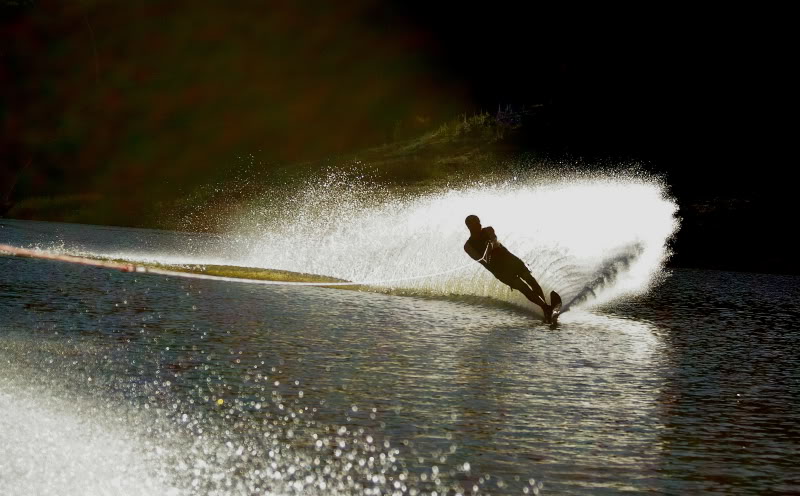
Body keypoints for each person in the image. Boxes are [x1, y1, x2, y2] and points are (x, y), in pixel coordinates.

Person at [463, 214, 555, 322]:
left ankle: (546, 309)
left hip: (510, 260)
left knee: (530, 279)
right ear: (469, 227)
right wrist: (488, 249)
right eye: (476, 224)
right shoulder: (468, 246)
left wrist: (491, 244)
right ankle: (545, 307)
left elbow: (494, 240)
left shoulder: (488, 230)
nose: (479, 225)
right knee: (523, 287)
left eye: (479, 222)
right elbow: (484, 261)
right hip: (499, 270)